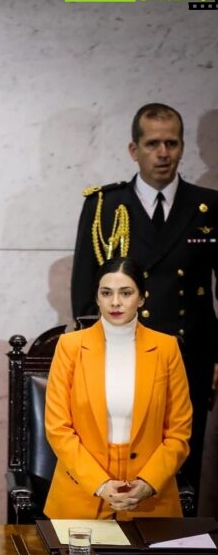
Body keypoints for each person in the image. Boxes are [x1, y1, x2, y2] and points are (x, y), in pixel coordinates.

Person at [71, 103, 218, 504]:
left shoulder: (208, 206)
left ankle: (173, 549)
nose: (163, 152)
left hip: (189, 353)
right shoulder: (104, 206)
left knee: (180, 460)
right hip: (119, 354)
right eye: (153, 143)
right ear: (134, 150)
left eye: (171, 143)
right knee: (112, 451)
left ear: (183, 147)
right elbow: (85, 289)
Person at [46, 257, 191, 519]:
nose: (115, 302)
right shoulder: (70, 347)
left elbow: (179, 431)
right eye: (106, 293)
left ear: (142, 298)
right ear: (97, 298)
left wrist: (149, 483)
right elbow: (58, 428)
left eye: (126, 293)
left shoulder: (166, 348)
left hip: (150, 499)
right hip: (81, 495)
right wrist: (100, 484)